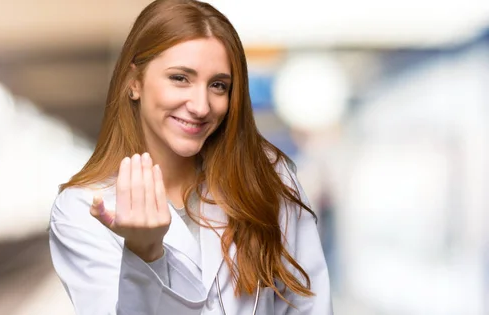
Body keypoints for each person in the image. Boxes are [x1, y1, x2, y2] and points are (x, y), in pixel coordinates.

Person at [48, 0, 333, 314]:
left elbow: (310, 304)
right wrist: (144, 255)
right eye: (180, 78)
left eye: (218, 85)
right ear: (135, 82)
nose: (201, 106)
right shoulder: (82, 210)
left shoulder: (267, 176)